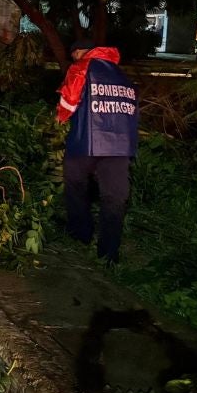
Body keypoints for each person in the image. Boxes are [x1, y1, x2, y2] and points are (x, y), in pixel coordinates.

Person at [55, 40, 138, 264]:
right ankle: (109, 253)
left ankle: (80, 235)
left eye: (74, 55)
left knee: (76, 186)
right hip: (120, 146)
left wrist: (59, 118)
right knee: (114, 198)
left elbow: (68, 104)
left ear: (78, 53)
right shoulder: (121, 75)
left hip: (86, 142)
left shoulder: (80, 67)